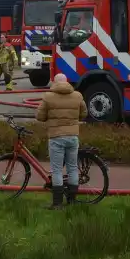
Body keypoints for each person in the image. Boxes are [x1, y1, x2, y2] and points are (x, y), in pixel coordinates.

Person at [34, 73, 87, 209]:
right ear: (66, 82)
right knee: (72, 168)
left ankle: (57, 203)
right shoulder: (77, 96)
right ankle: (72, 200)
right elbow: (84, 113)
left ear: (54, 82)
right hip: (73, 136)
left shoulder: (48, 97)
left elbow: (40, 116)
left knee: (57, 170)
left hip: (56, 137)